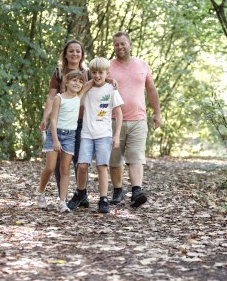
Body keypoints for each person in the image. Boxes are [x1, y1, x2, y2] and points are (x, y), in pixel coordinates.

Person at [108, 31, 161, 208]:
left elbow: (151, 90)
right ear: (113, 47)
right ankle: (117, 191)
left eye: (123, 43)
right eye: (116, 44)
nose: (120, 47)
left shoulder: (142, 65)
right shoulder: (108, 67)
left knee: (136, 157)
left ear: (129, 44)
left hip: (138, 119)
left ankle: (137, 191)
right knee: (115, 159)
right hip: (113, 120)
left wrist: (157, 113)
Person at [67, 57, 124, 213]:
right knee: (82, 165)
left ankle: (103, 198)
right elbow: (75, 102)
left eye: (101, 72)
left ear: (107, 73)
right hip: (87, 133)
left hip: (104, 134)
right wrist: (86, 86)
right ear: (90, 73)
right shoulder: (87, 89)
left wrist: (117, 135)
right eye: (94, 72)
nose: (97, 76)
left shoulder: (111, 89)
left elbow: (119, 113)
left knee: (101, 167)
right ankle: (80, 192)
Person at [35, 70, 93, 212]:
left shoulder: (79, 97)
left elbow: (92, 82)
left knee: (65, 170)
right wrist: (55, 140)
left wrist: (110, 81)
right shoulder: (59, 98)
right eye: (74, 80)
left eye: (80, 81)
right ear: (66, 82)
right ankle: (40, 192)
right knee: (50, 167)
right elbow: (53, 120)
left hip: (70, 136)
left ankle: (62, 202)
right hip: (55, 134)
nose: (77, 83)